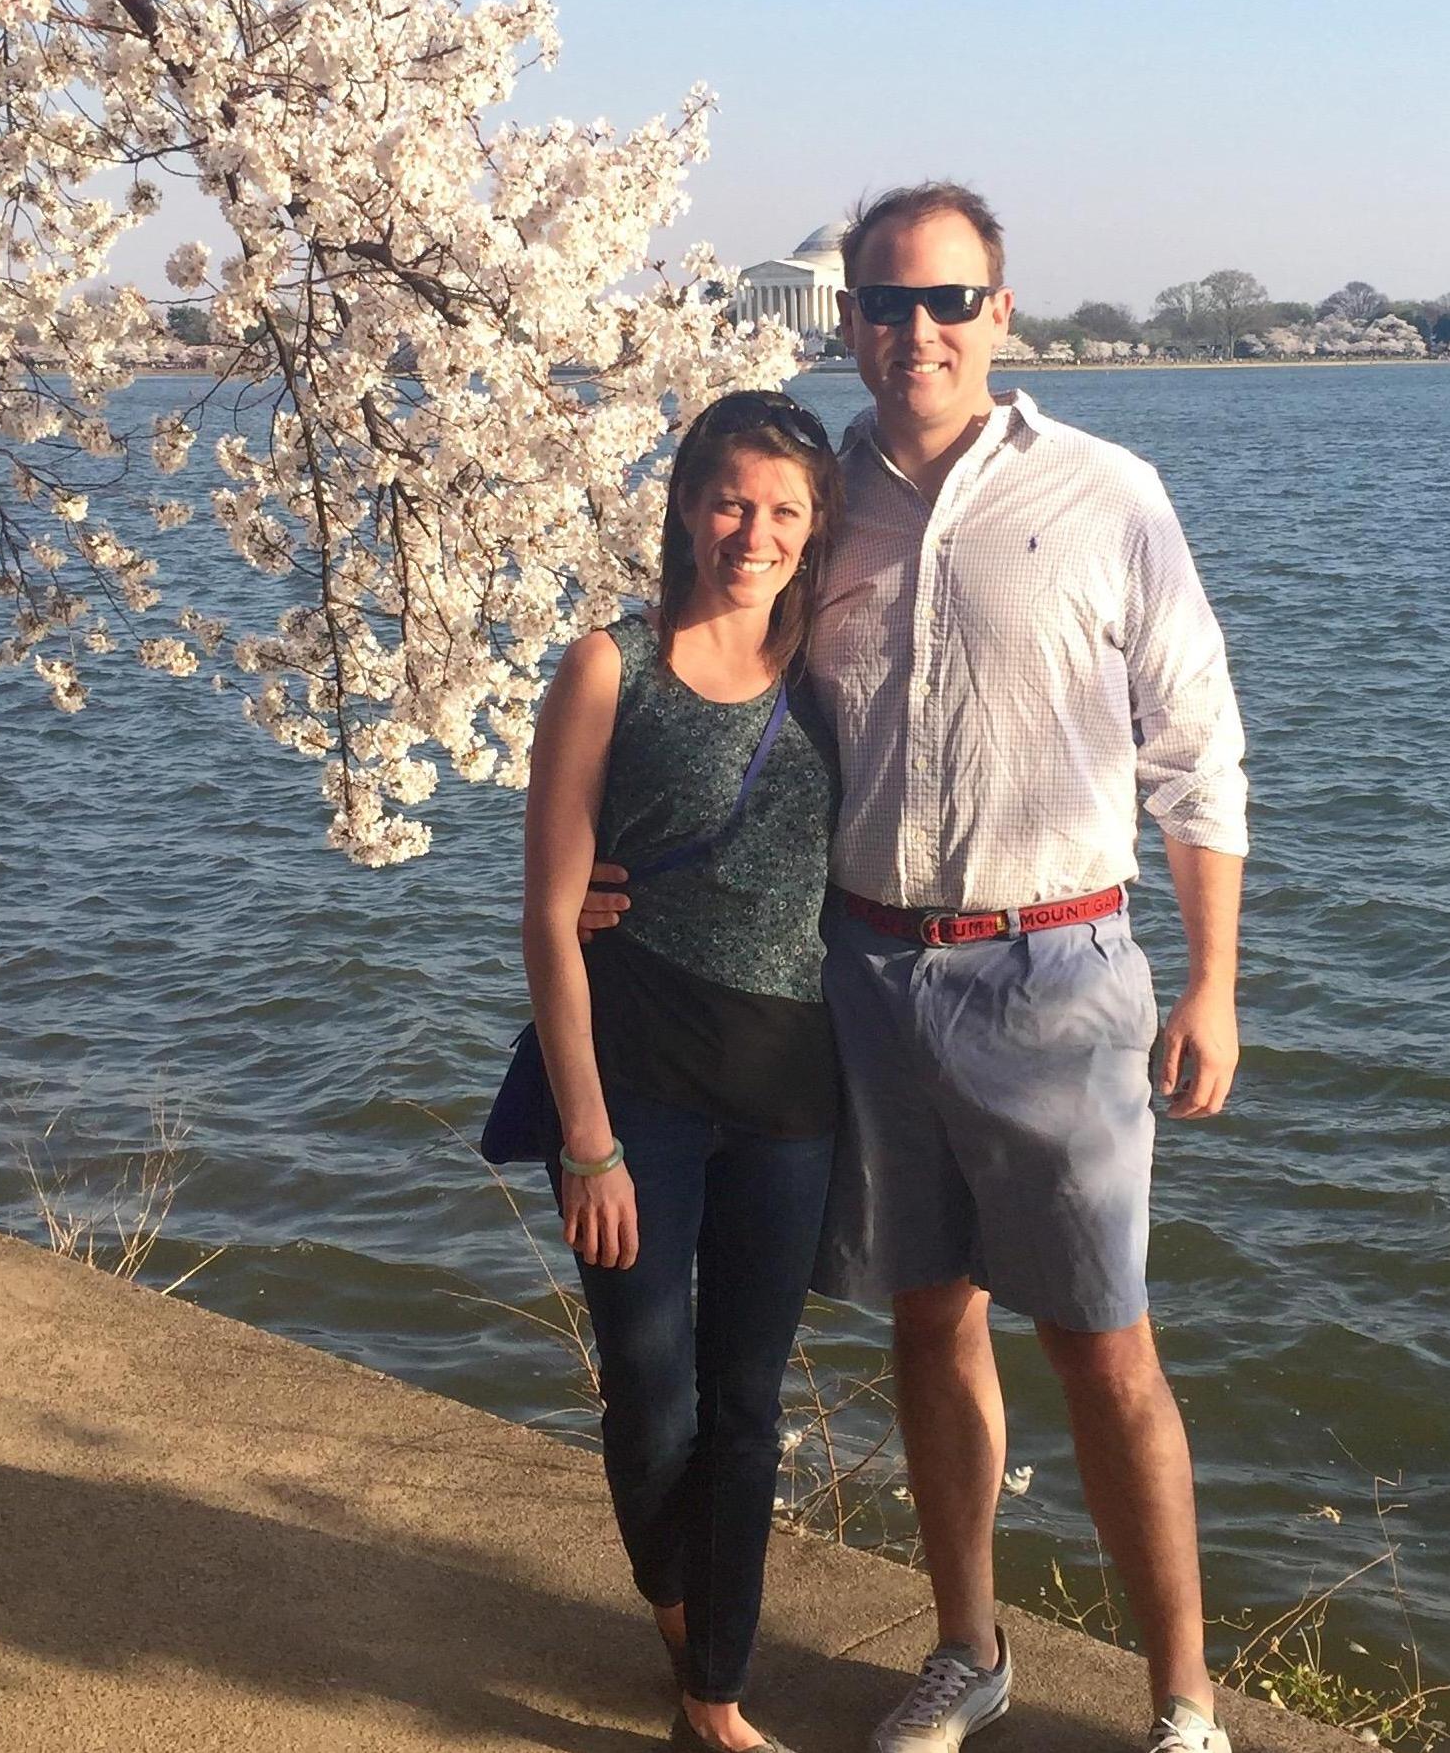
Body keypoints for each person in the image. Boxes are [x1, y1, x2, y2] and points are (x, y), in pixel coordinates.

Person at [589, 185, 1250, 1753]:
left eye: (948, 300)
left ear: (1001, 313)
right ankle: (969, 1646)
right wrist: (619, 855)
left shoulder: (1109, 495)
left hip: (1057, 967)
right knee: (929, 1322)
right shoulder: (821, 503)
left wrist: (1215, 976)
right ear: (853, 319)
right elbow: (706, 664)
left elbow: (1198, 752)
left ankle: (1184, 1699)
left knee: (1106, 1341)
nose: (915, 332)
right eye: (885, 303)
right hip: (864, 977)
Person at [522, 387, 845, 1753]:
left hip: (789, 1086)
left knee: (749, 1398)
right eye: (729, 500)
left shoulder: (834, 671)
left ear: (815, 528)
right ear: (682, 502)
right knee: (652, 1388)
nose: (750, 534)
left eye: (782, 511)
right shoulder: (612, 666)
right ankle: (676, 1594)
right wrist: (584, 1133)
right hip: (634, 1070)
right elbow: (547, 911)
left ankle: (712, 1687)